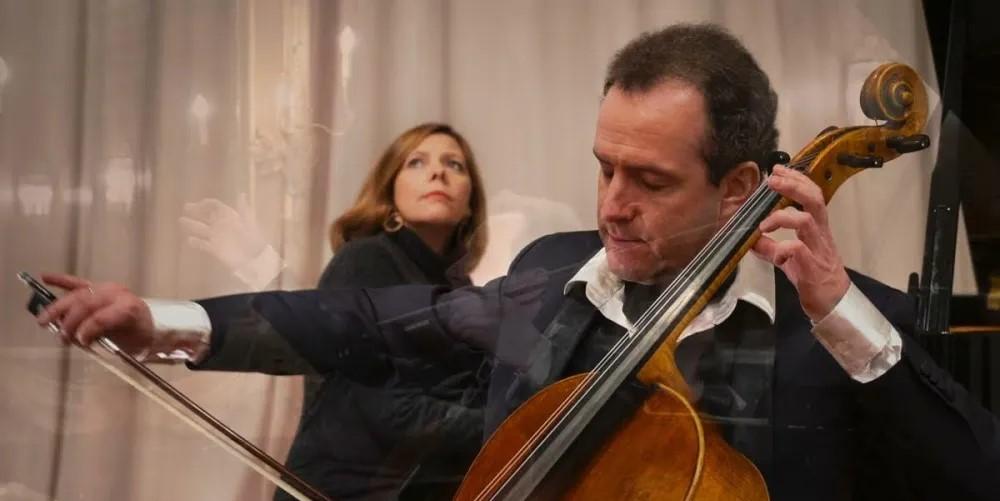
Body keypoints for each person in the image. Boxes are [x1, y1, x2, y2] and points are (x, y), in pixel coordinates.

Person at [37, 24, 1000, 500]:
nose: (611, 203)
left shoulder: (841, 318)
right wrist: (163, 320)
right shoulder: (553, 273)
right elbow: (365, 323)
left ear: (738, 185)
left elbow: (969, 472)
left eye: (650, 180)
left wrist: (839, 313)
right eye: (604, 166)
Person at [283, 122, 489, 500]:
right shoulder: (363, 261)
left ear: (470, 205)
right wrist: (500, 430)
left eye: (455, 165)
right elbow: (378, 404)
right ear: (390, 193)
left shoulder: (462, 293)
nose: (437, 172)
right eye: (416, 162)